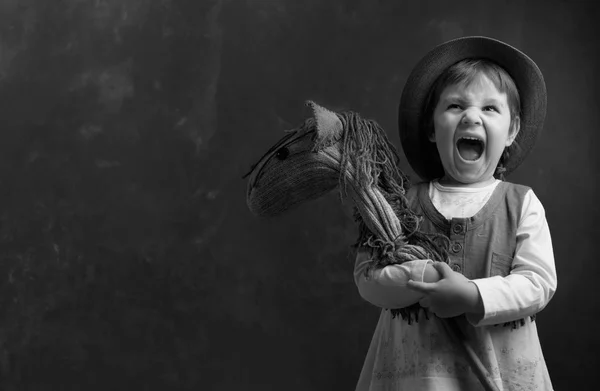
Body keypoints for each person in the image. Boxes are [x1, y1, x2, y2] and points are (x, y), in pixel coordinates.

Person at [353, 36, 557, 390]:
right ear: (433, 129)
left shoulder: (522, 204)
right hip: (417, 375)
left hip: (500, 371)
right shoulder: (401, 203)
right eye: (455, 106)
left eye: (490, 108)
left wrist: (473, 296)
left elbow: (538, 283)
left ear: (512, 131)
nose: (471, 117)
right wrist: (419, 276)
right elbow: (367, 276)